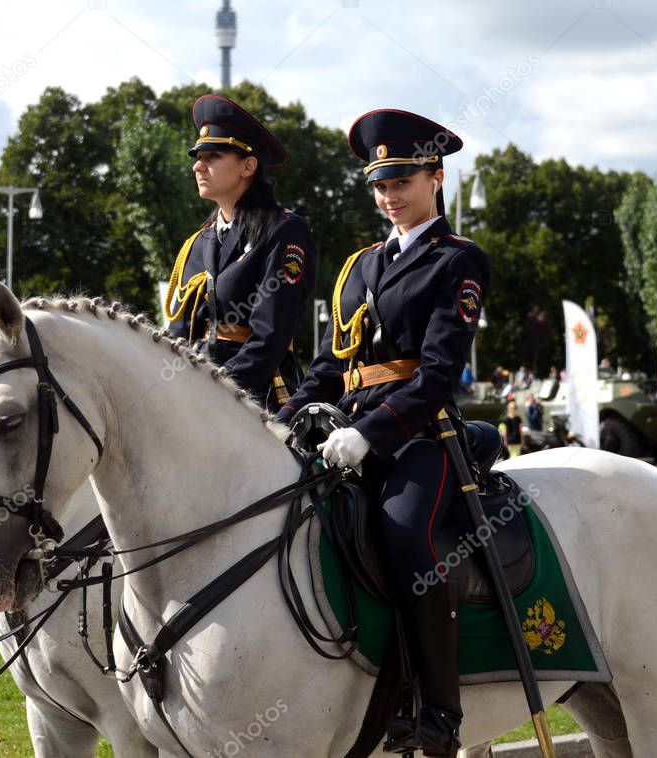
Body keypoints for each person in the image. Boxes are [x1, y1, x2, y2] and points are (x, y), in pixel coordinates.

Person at [277, 109, 490, 756]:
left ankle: (437, 712)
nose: (388, 196)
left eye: (400, 180)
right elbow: (325, 365)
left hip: (416, 436)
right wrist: (281, 420)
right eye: (378, 185)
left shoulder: (458, 261)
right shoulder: (360, 265)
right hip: (341, 430)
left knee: (404, 536)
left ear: (435, 176)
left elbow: (436, 375)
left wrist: (371, 433)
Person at [164, 94, 316, 413]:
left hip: (258, 402)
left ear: (248, 165)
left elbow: (269, 339)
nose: (197, 165)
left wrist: (212, 392)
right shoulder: (196, 242)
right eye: (197, 156)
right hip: (193, 397)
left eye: (213, 156)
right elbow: (176, 334)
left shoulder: (283, 231)